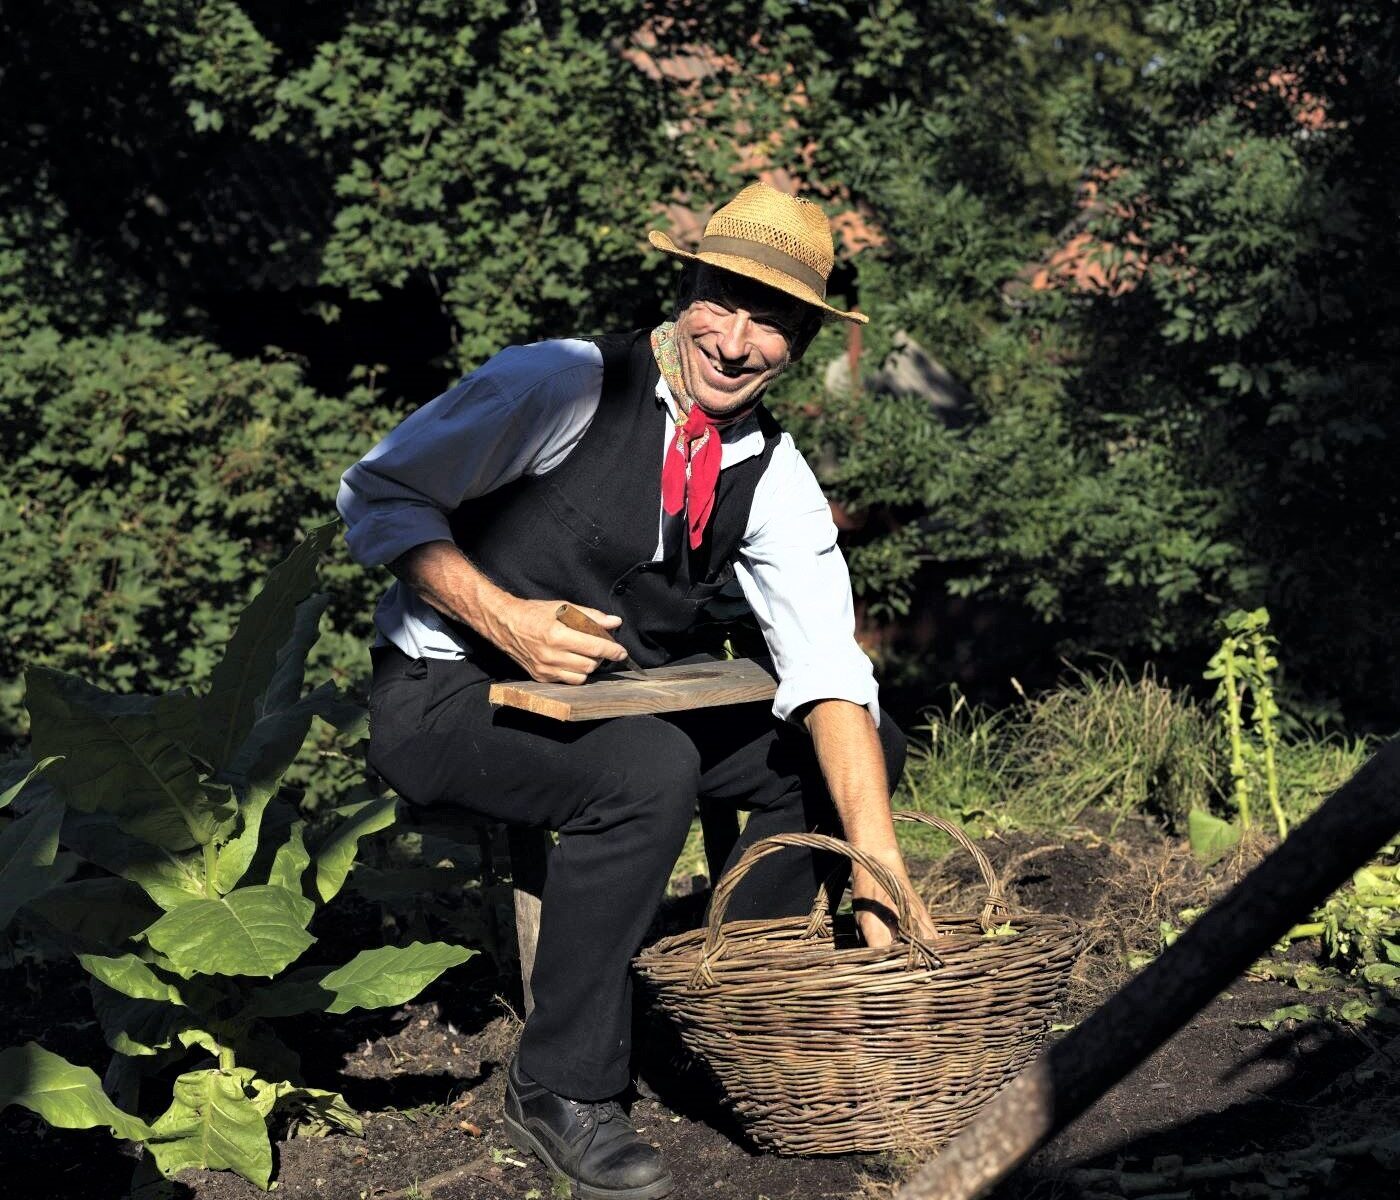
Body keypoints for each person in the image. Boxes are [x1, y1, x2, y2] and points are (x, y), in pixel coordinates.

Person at [337, 181, 936, 1200]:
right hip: (446, 692)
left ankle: (730, 1003)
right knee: (646, 770)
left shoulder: (768, 467)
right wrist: (504, 619)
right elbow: (378, 491)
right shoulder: (564, 383)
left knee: (856, 744)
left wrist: (879, 873)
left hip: (621, 696)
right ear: (685, 290)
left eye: (770, 323)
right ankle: (558, 1085)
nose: (734, 344)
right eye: (721, 304)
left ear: (797, 344)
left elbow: (829, 668)